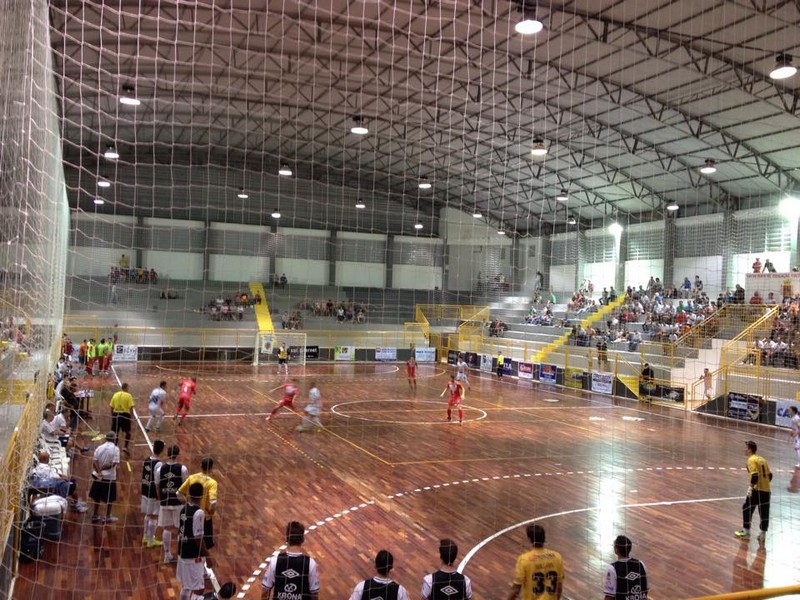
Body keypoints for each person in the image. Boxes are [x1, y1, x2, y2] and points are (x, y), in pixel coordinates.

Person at [261, 521, 320, 600]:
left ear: (287, 538)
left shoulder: (275, 561)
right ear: (302, 539)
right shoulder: (310, 563)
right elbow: (314, 594)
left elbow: (265, 590)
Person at [506, 524, 564, 600]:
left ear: (530, 539)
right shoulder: (557, 557)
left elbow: (516, 588)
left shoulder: (524, 559)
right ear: (544, 537)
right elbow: (559, 586)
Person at [734, 440, 772, 541]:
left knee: (747, 508)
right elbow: (770, 475)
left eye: (746, 448)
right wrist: (765, 484)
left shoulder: (751, 460)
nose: (744, 450)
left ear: (750, 450)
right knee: (764, 512)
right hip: (767, 491)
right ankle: (763, 534)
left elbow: (755, 475)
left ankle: (746, 532)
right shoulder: (762, 459)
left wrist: (751, 487)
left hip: (756, 490)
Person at [157, 444, 189, 564]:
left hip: (164, 502)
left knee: (167, 528)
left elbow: (158, 486)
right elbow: (186, 486)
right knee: (181, 529)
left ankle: (167, 555)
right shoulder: (182, 469)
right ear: (177, 454)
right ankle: (181, 555)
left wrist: (161, 500)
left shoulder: (160, 469)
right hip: (178, 503)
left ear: (168, 454)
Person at [178, 457, 218, 553]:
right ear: (211, 468)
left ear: (201, 466)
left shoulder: (192, 477)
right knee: (205, 545)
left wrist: (186, 504)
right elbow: (213, 502)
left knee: (191, 541)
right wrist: (211, 511)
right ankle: (203, 562)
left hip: (190, 513)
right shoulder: (212, 483)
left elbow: (178, 493)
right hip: (205, 518)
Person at [177, 482, 209, 600]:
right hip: (192, 556)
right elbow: (198, 537)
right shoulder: (199, 512)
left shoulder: (183, 509)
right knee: (199, 588)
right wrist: (208, 556)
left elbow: (180, 531)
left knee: (186, 585)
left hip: (182, 552)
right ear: (202, 495)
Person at [88, 431, 121, 524]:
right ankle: (107, 516)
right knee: (110, 498)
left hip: (98, 477)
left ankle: (95, 515)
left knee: (97, 497)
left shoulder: (99, 447)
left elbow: (94, 461)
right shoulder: (116, 449)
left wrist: (99, 472)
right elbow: (114, 463)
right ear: (114, 439)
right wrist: (103, 469)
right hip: (110, 477)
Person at [603, 535, 648, 600]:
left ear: (616, 549)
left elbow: (609, 597)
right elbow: (645, 590)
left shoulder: (612, 568)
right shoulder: (641, 564)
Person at [140, 439, 165, 548]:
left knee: (147, 515)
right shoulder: (159, 464)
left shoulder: (146, 459)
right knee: (154, 517)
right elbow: (157, 482)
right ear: (161, 450)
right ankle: (150, 540)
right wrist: (160, 497)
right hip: (153, 493)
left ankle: (145, 536)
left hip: (145, 490)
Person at [109, 382, 135, 454]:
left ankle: (114, 447)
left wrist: (112, 415)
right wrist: (131, 418)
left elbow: (111, 406)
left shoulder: (115, 394)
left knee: (115, 432)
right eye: (128, 387)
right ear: (126, 388)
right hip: (125, 415)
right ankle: (125, 447)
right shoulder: (128, 395)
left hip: (116, 414)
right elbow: (131, 407)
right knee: (128, 432)